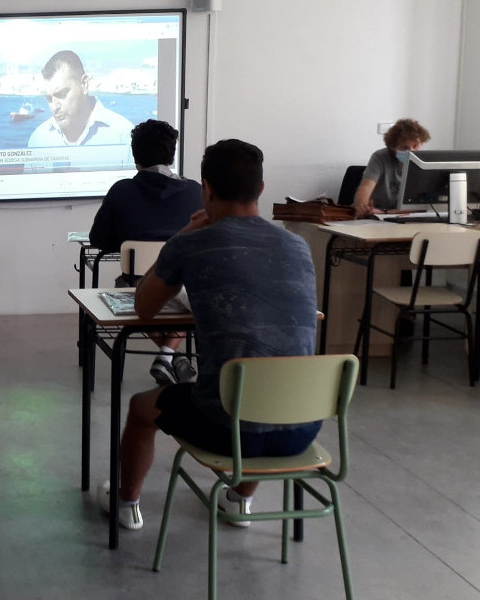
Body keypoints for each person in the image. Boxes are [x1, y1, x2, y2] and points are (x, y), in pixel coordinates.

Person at [98, 139, 320, 531]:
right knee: (262, 387)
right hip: (302, 424)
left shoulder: (192, 243)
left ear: (206, 189)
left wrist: (182, 235)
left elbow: (145, 307)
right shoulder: (298, 246)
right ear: (261, 190)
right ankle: (239, 501)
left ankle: (125, 504)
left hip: (226, 426)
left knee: (140, 407)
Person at [89, 119, 203, 385]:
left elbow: (98, 239)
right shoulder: (195, 191)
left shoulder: (122, 190)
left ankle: (166, 354)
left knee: (132, 291)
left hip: (137, 286)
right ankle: (171, 354)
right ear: (172, 154)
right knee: (189, 295)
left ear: (135, 155)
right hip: (187, 288)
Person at [28, 50, 134, 148]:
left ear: (85, 84)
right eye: (49, 99)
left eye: (62, 94)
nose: (54, 107)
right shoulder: (38, 139)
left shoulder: (124, 136)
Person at [354, 118, 431, 218]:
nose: (411, 151)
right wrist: (362, 208)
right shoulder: (380, 157)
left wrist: (386, 212)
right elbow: (366, 187)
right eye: (405, 147)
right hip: (375, 216)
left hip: (399, 216)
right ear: (392, 146)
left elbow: (423, 206)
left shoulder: (424, 162)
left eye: (415, 146)